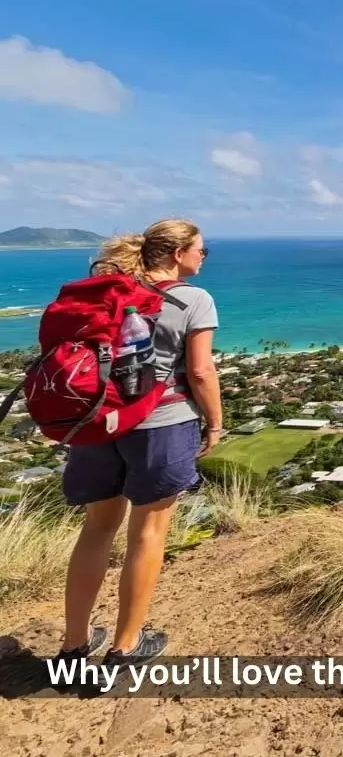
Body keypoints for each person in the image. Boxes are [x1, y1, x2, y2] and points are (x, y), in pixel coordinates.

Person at [56, 218, 223, 665]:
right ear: (177, 254)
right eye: (202, 250)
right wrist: (215, 423)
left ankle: (73, 645)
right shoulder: (193, 299)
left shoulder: (108, 294)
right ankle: (127, 647)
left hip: (98, 423)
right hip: (160, 424)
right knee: (147, 533)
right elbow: (202, 372)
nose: (204, 258)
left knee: (97, 529)